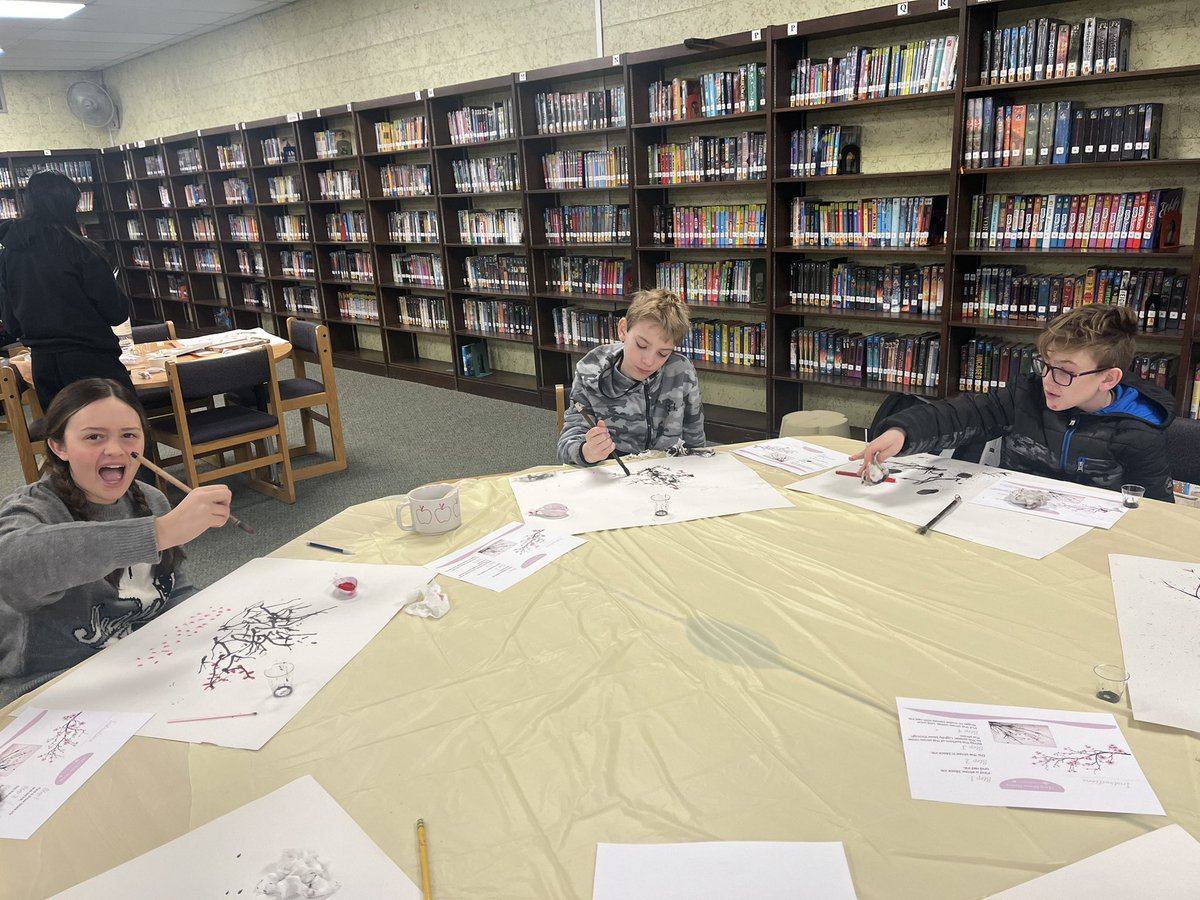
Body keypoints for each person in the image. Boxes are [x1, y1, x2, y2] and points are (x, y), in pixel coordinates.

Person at [0, 378, 232, 705]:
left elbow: (173, 590)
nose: (115, 450)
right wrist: (157, 533)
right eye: (94, 437)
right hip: (56, 687)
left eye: (129, 436)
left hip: (146, 666)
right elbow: (13, 567)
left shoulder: (149, 499)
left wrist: (212, 630)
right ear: (58, 446)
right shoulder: (35, 510)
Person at [853, 304, 1176, 501]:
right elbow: (960, 415)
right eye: (1045, 365)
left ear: (1108, 379)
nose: (1048, 380)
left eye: (1065, 372)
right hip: (1009, 522)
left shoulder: (1139, 431)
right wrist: (902, 432)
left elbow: (1154, 514)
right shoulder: (1025, 396)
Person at [0, 169, 135, 409]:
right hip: (91, 360)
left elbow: (12, 323)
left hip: (43, 364)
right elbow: (116, 312)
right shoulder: (81, 250)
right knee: (118, 425)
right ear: (70, 204)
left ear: (28, 202)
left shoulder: (8, 255)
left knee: (64, 428)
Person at [557, 287, 706, 466]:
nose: (648, 361)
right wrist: (587, 451)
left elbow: (695, 443)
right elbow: (567, 446)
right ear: (623, 329)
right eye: (641, 345)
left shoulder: (682, 371)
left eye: (663, 353)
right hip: (612, 472)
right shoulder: (591, 370)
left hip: (667, 471)